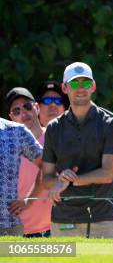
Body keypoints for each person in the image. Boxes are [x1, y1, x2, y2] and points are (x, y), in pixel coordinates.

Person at [42, 62, 113, 238]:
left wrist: (69, 181)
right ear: (64, 88)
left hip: (102, 218)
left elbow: (108, 173)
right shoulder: (53, 128)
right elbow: (47, 179)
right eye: (74, 83)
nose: (80, 88)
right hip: (63, 218)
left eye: (86, 83)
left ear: (93, 86)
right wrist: (58, 181)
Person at [7, 87, 52, 237]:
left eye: (27, 106)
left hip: (57, 228)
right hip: (18, 232)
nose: (23, 114)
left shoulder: (56, 137)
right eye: (16, 111)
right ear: (11, 118)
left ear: (37, 107)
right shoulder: (6, 148)